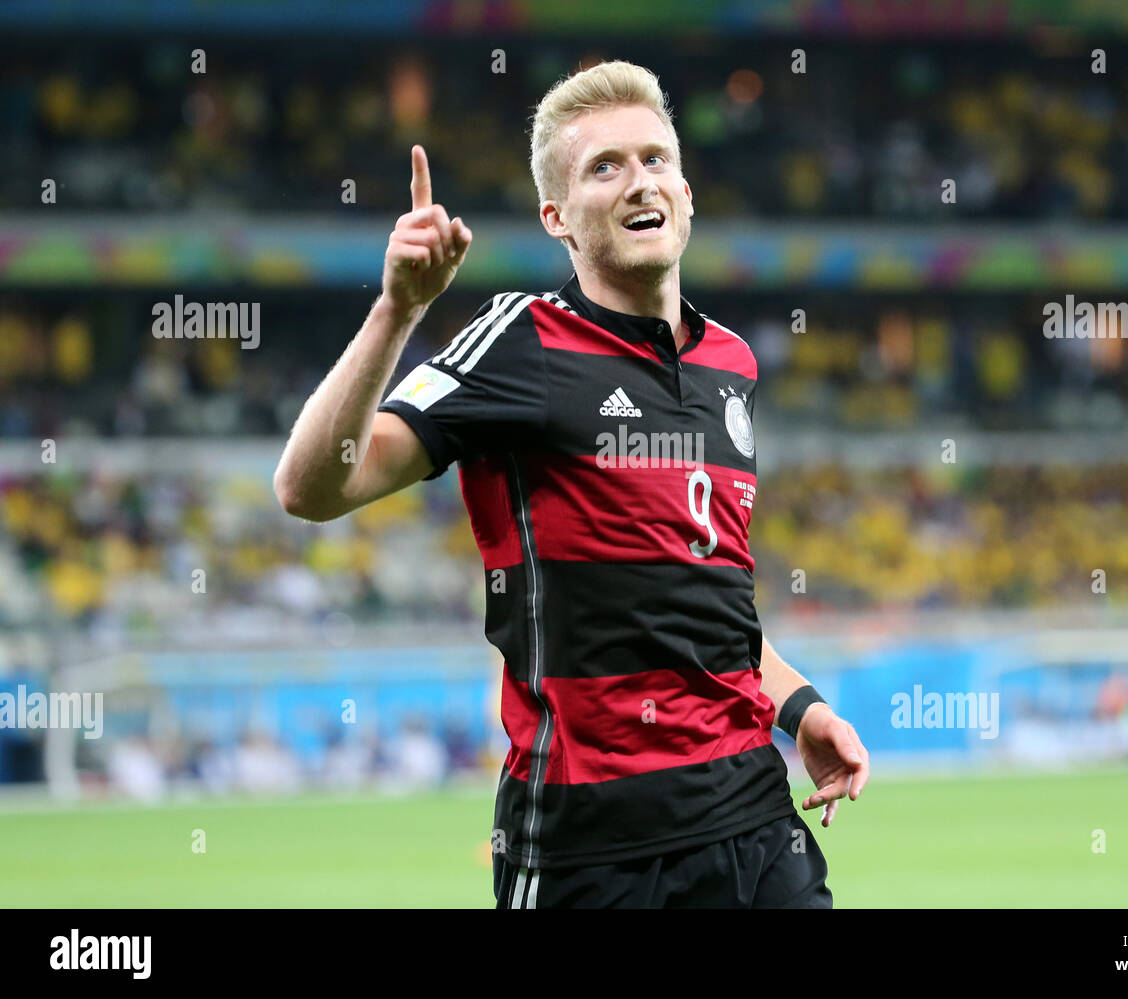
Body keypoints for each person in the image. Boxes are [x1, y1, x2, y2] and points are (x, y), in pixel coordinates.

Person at [273, 60, 868, 908]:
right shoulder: (521, 342)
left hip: (752, 821)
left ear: (688, 195)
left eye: (655, 159)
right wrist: (396, 310)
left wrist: (802, 709)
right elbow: (311, 487)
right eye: (605, 167)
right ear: (557, 216)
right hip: (589, 845)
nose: (639, 183)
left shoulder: (730, 364)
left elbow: (707, 609)